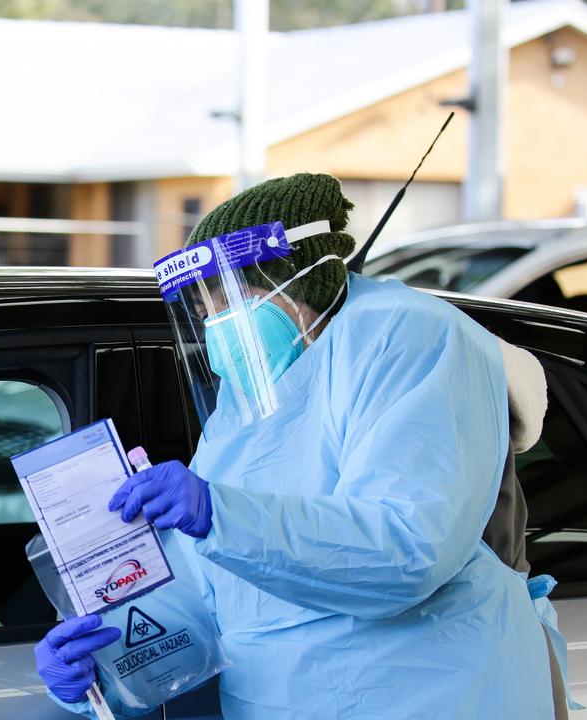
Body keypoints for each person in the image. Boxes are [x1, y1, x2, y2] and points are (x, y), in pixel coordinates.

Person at [36, 173, 556, 718]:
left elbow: (404, 553)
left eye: (235, 300)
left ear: (302, 282)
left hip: (430, 695)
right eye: (208, 310)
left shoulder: (405, 339)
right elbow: (208, 595)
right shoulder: (246, 409)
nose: (218, 324)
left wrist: (220, 514)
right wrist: (98, 667)